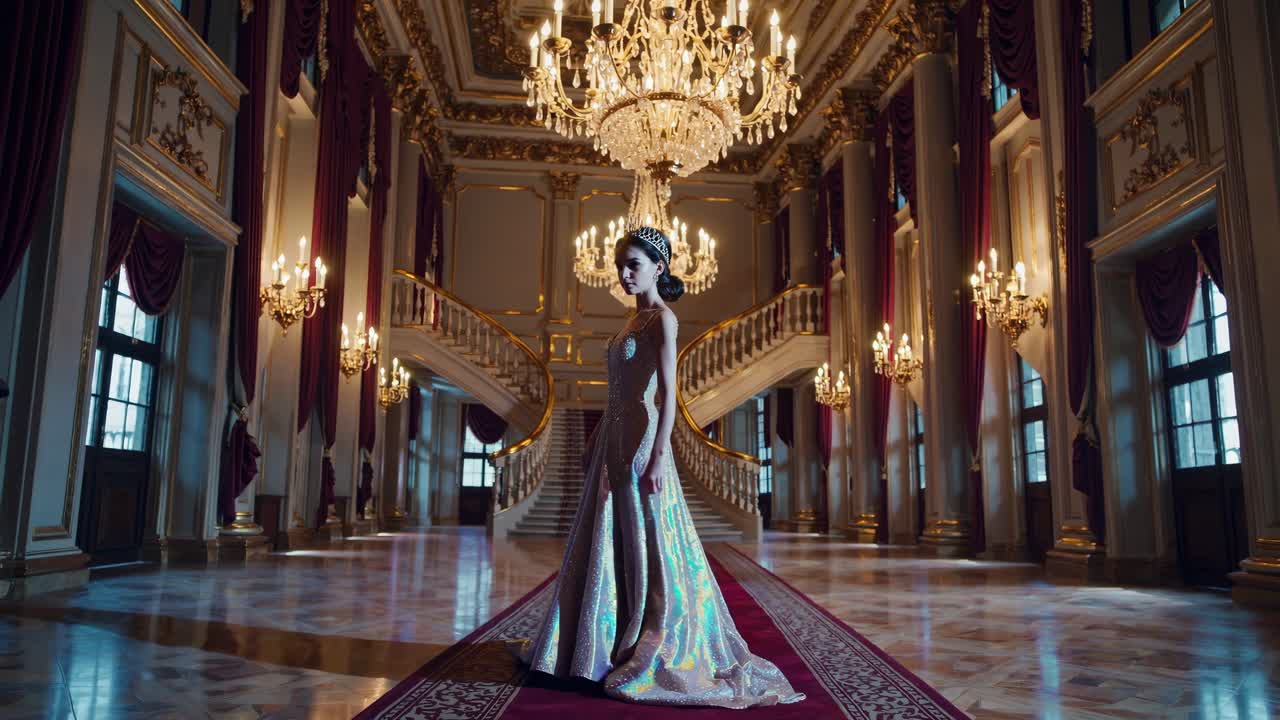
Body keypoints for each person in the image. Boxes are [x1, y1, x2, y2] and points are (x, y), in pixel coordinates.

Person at [511, 226, 805, 708]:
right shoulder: (629, 323)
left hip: (643, 437)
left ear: (659, 267)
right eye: (620, 264)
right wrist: (594, 436)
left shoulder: (663, 321)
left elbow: (668, 394)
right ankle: (593, 645)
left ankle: (644, 638)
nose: (624, 274)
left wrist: (658, 453)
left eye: (633, 265)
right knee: (605, 532)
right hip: (613, 434)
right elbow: (617, 392)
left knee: (646, 534)